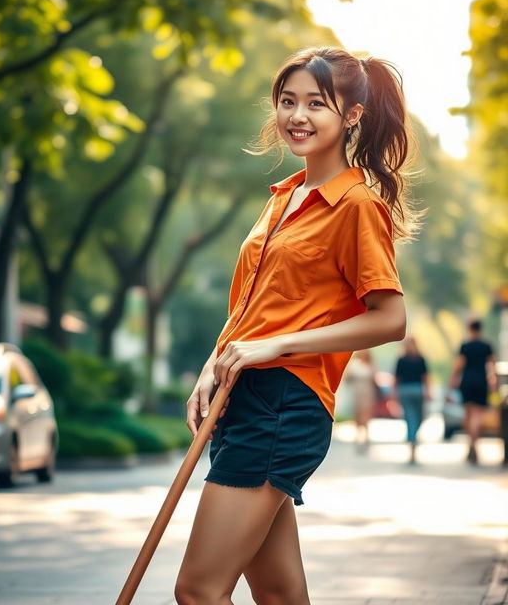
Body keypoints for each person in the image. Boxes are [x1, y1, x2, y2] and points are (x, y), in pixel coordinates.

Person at [177, 46, 415, 605]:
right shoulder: (283, 198)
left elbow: (390, 318)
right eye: (287, 102)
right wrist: (212, 369)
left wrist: (276, 346)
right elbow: (252, 307)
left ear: (351, 116)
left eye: (316, 103)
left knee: (198, 591)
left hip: (285, 402)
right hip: (244, 395)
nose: (296, 116)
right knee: (280, 595)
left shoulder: (355, 205)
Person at [450, 319, 497, 464]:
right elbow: (492, 367)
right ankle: (474, 445)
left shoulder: (465, 346)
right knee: (477, 415)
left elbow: (459, 365)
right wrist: (493, 384)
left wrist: (452, 380)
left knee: (468, 415)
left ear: (469, 329)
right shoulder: (486, 346)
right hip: (481, 382)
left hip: (467, 381)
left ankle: (471, 445)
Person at [393, 336, 430, 464]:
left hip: (405, 391)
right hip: (417, 390)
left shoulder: (403, 359)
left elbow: (396, 379)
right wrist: (428, 391)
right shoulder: (419, 359)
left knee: (411, 418)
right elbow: (426, 378)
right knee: (418, 418)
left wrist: (394, 394)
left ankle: (412, 439)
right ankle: (413, 442)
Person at [343, 350, 378, 453]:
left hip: (368, 393)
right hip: (356, 393)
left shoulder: (371, 364)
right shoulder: (354, 364)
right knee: (357, 418)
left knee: (366, 417)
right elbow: (347, 378)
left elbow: (374, 379)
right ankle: (358, 439)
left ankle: (366, 439)